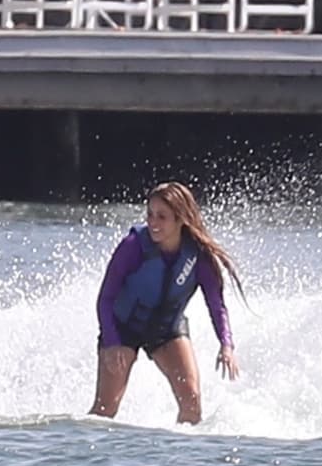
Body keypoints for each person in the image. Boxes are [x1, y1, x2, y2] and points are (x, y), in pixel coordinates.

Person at [90, 181, 243, 425]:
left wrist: (226, 345)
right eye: (150, 214)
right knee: (105, 410)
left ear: (180, 219)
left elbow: (216, 305)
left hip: (167, 329)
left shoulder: (199, 256)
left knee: (191, 404)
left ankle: (178, 461)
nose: (153, 222)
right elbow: (105, 299)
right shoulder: (132, 247)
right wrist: (111, 341)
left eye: (162, 217)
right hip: (122, 328)